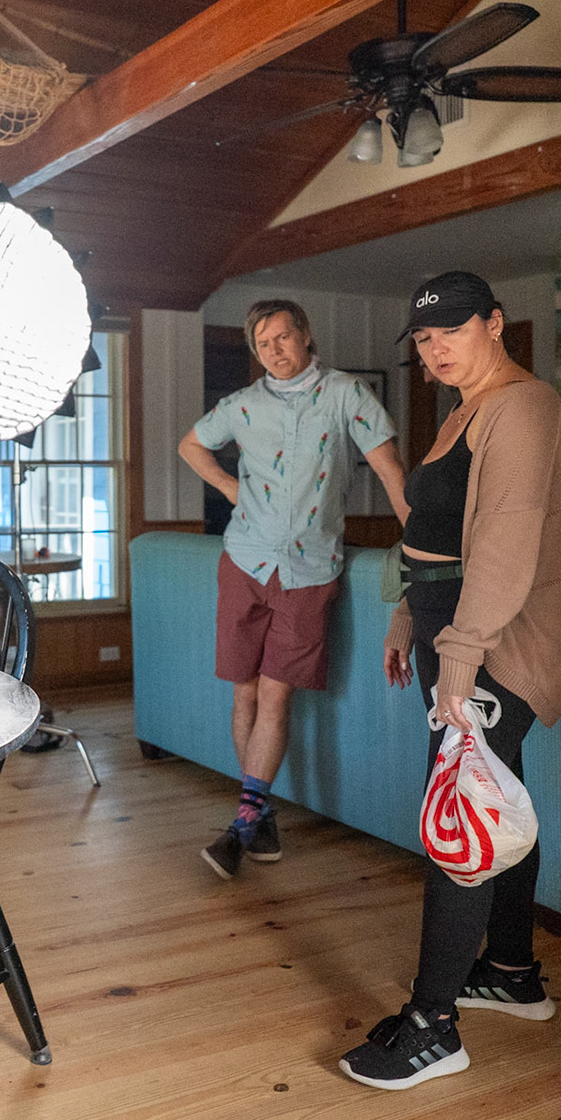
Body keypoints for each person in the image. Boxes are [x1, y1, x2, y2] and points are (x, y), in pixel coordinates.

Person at [340, 272, 561, 1091]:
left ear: (495, 323)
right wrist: (408, 614)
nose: (435, 348)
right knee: (493, 791)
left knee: (459, 815)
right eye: (423, 337)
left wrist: (462, 656)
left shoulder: (524, 407)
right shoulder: (464, 410)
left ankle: (432, 1027)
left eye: (451, 330)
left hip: (494, 645)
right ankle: (511, 971)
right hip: (451, 630)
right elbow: (438, 532)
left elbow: (507, 542)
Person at [179, 299, 409, 881]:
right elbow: (190, 445)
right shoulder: (242, 405)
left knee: (275, 696)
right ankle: (258, 816)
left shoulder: (346, 394)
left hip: (310, 572)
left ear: (305, 336)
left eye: (283, 337)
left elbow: (389, 470)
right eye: (263, 343)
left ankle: (241, 827)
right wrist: (228, 486)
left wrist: (421, 541)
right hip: (244, 562)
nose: (274, 350)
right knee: (244, 695)